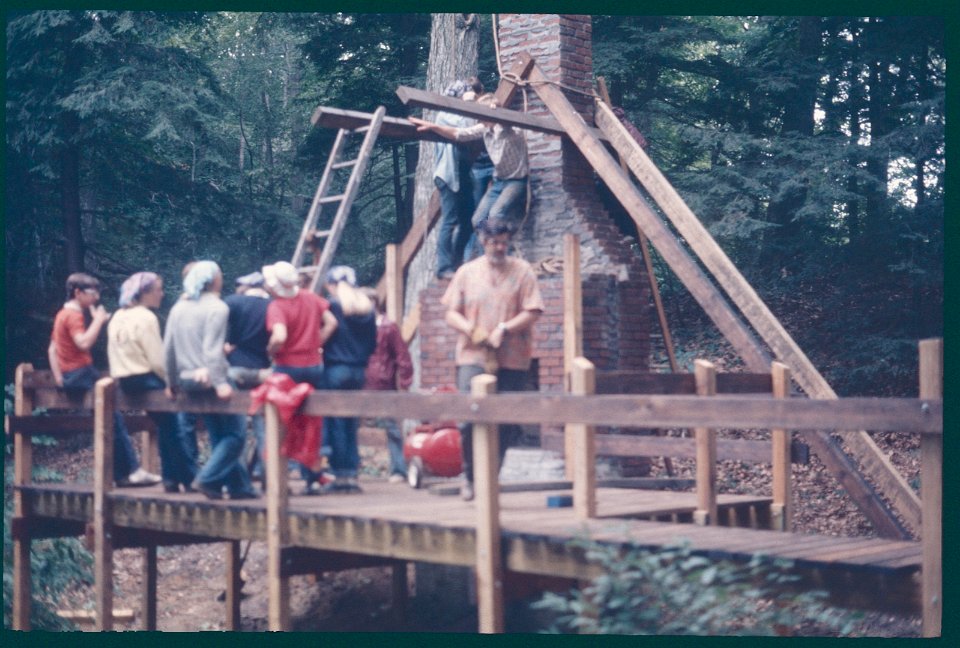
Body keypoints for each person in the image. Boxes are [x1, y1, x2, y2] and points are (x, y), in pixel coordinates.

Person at [441, 218, 544, 501]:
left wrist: (504, 329)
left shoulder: (522, 271)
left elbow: (533, 310)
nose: (499, 247)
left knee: (505, 420)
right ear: (483, 241)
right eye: (493, 242)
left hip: (512, 357)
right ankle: (470, 477)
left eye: (503, 241)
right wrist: (471, 329)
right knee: (469, 416)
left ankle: (491, 478)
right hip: (472, 354)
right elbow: (450, 311)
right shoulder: (466, 272)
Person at [48, 272, 161, 487]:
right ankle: (132, 472)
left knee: (112, 420)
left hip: (71, 377)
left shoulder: (61, 314)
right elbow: (83, 343)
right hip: (82, 373)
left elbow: (52, 349)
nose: (96, 298)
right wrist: (99, 321)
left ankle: (123, 474)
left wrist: (59, 379)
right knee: (115, 420)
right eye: (92, 293)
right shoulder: (73, 316)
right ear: (77, 293)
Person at [163, 261, 257, 500]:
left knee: (218, 435)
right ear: (213, 280)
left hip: (186, 379)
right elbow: (212, 351)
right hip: (210, 378)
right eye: (220, 274)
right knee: (236, 436)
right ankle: (206, 479)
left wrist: (171, 382)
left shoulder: (178, 307)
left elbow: (168, 350)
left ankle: (238, 487)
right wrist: (220, 383)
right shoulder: (217, 307)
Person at [410, 92, 529, 263]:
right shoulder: (484, 129)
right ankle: (485, 258)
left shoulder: (511, 129)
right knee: (478, 220)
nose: (479, 119)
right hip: (499, 182)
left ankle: (504, 259)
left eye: (482, 114)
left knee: (495, 214)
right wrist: (432, 126)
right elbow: (458, 133)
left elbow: (506, 124)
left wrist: (496, 112)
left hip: (516, 181)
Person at [107, 272, 197, 493]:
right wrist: (170, 381)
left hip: (125, 380)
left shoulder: (118, 316)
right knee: (174, 428)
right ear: (145, 293)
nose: (162, 294)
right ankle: (187, 477)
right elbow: (157, 358)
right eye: (158, 289)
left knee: (166, 426)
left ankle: (171, 479)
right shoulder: (146, 317)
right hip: (146, 378)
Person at [262, 260, 338, 493]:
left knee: (282, 421)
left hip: (288, 368)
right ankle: (313, 475)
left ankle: (274, 478)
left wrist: (270, 352)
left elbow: (279, 336)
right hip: (314, 366)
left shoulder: (277, 306)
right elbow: (332, 322)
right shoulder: (310, 297)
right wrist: (316, 343)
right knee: (312, 421)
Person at [322, 266, 377, 492]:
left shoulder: (332, 307)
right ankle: (352, 474)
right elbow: (373, 344)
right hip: (358, 372)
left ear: (333, 285)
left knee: (336, 423)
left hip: (335, 369)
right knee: (351, 423)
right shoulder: (367, 309)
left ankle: (340, 477)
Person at [361, 288, 414, 483]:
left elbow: (402, 356)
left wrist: (405, 381)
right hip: (359, 382)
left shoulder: (388, 327)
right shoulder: (355, 326)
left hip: (383, 383)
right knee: (348, 424)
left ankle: (398, 469)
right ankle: (347, 469)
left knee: (392, 427)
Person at [224, 271, 272, 483]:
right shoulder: (272, 305)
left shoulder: (233, 302)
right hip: (263, 371)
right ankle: (269, 475)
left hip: (236, 368)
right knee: (264, 425)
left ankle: (240, 475)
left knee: (238, 425)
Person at [432, 79, 482, 279]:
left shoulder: (460, 113)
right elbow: (466, 127)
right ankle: (444, 268)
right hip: (448, 174)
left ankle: (456, 263)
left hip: (463, 175)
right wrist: (471, 104)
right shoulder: (444, 114)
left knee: (468, 222)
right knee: (450, 221)